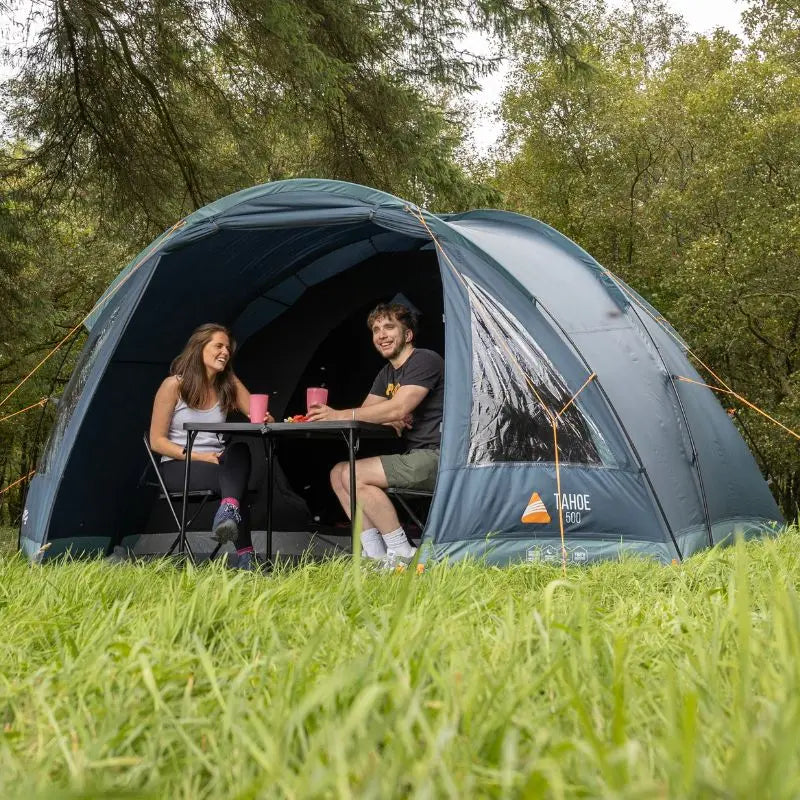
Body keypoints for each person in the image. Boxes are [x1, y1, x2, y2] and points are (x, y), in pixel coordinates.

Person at [306, 302, 443, 563]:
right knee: (338, 473)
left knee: (354, 475)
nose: (381, 335)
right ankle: (376, 556)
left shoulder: (424, 359)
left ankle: (403, 553)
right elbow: (368, 412)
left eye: (389, 327)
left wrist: (341, 414)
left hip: (439, 458)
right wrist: (388, 416)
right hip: (417, 456)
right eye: (376, 329)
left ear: (408, 335)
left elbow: (399, 406)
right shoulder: (388, 373)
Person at [149, 323, 273, 570]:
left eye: (228, 348)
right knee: (236, 485)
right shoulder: (173, 386)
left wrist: (234, 380)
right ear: (198, 349)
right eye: (218, 346)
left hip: (218, 462)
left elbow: (255, 414)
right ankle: (246, 556)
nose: (225, 352)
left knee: (239, 450)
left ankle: (228, 512)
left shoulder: (225, 386)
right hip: (178, 465)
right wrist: (200, 456)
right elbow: (157, 441)